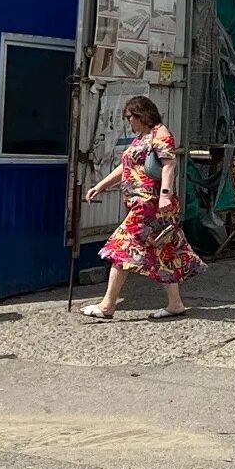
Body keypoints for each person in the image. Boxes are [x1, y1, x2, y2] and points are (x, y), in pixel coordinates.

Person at [83, 95, 203, 320]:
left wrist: (165, 195)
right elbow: (126, 167)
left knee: (122, 248)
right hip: (143, 204)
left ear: (142, 115)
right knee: (165, 251)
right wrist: (100, 185)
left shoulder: (161, 134)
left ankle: (107, 305)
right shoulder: (142, 137)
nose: (128, 122)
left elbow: (169, 165)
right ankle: (175, 304)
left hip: (149, 205)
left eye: (129, 117)